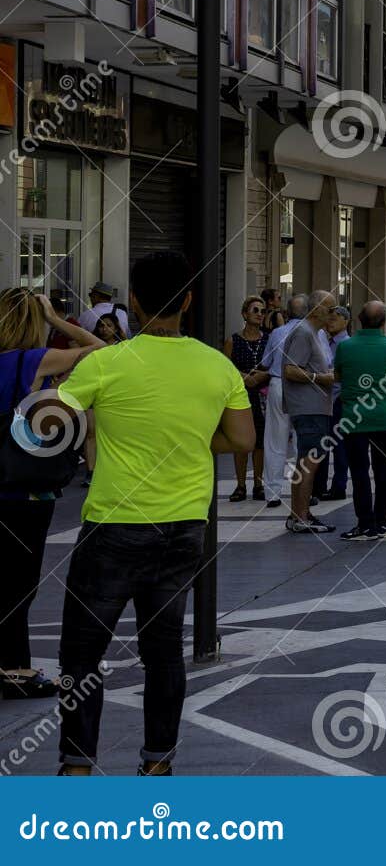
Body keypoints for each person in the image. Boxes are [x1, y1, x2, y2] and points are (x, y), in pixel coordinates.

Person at [54, 251, 254, 774]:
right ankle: (157, 763)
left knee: (82, 653)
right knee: (163, 651)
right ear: (188, 301)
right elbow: (241, 439)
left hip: (112, 526)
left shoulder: (106, 362)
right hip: (184, 527)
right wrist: (187, 437)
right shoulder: (219, 366)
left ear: (135, 303)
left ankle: (77, 765)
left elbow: (49, 425)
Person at [0, 290, 103, 701]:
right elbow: (103, 352)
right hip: (22, 493)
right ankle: (15, 671)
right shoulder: (34, 360)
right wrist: (60, 322)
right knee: (18, 585)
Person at [335, 301, 386, 540]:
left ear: (358, 320)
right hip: (384, 417)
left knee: (359, 471)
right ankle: (383, 520)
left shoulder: (346, 346)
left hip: (354, 418)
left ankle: (365, 522)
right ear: (383, 322)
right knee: (384, 470)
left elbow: (338, 375)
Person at [281, 291, 338, 534]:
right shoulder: (304, 333)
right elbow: (290, 370)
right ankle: (300, 516)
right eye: (331, 309)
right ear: (316, 310)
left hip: (317, 406)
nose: (335, 314)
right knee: (308, 463)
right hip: (309, 408)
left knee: (308, 461)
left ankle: (299, 513)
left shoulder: (316, 333)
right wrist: (321, 377)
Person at [258, 293, 307, 509]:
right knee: (301, 441)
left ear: (287, 312)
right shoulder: (315, 333)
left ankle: (272, 493)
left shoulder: (277, 332)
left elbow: (266, 362)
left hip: (278, 384)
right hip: (304, 387)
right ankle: (303, 489)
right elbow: (326, 361)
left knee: (274, 440)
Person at [222, 296, 271, 502]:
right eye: (255, 310)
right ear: (244, 314)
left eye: (262, 311)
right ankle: (240, 485)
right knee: (241, 441)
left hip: (262, 396)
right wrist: (244, 377)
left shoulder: (269, 339)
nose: (260, 314)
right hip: (240, 396)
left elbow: (275, 364)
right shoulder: (233, 340)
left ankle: (258, 484)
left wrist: (261, 376)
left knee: (260, 441)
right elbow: (225, 367)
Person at [313, 305, 351, 502]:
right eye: (329, 317)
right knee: (323, 445)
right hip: (322, 399)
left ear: (346, 321)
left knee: (339, 446)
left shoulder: (346, 344)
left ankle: (338, 487)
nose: (330, 321)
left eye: (335, 317)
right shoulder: (323, 340)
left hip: (338, 400)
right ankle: (319, 486)